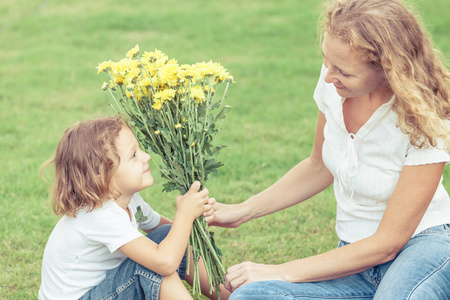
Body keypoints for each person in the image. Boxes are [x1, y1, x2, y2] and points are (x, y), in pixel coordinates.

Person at [206, 0, 450, 298]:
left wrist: (280, 269)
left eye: (344, 71)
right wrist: (243, 211)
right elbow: (318, 166)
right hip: (352, 260)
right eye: (326, 59)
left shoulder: (425, 118)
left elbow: (389, 243)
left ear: (389, 69)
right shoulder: (333, 86)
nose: (329, 75)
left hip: (421, 247)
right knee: (252, 295)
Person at [38, 116, 230, 300]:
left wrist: (191, 223)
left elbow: (165, 232)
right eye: (133, 155)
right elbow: (165, 263)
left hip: (105, 290)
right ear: (102, 175)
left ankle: (231, 296)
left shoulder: (129, 200)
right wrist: (184, 216)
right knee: (152, 268)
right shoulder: (100, 215)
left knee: (166, 235)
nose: (146, 157)